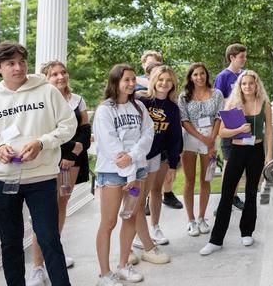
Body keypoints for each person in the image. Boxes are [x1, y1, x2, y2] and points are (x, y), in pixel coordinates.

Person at [0, 42, 76, 286]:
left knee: (49, 239)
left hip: (41, 179)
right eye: (11, 64)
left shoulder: (47, 91)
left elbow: (68, 126)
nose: (18, 68)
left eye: (22, 62)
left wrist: (42, 143)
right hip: (4, 180)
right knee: (10, 243)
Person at [93, 64, 161, 286]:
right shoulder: (105, 110)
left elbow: (147, 135)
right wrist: (129, 166)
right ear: (115, 82)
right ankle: (105, 273)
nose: (132, 84)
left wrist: (132, 159)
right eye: (127, 80)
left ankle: (123, 265)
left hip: (138, 169)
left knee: (131, 216)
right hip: (113, 174)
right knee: (109, 222)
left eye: (133, 79)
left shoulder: (139, 107)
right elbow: (111, 145)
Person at [26, 61, 92, 285]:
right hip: (46, 161)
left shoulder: (78, 100)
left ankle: (54, 253)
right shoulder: (39, 100)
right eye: (54, 74)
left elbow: (84, 130)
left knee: (61, 206)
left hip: (70, 162)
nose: (60, 77)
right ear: (45, 78)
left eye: (63, 72)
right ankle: (37, 266)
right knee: (43, 212)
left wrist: (72, 155)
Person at [199, 70, 273, 255]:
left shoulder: (264, 104)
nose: (247, 87)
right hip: (237, 151)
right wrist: (239, 129)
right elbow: (222, 132)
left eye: (251, 83)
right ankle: (216, 240)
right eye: (244, 84)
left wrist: (269, 155)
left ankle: (247, 232)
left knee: (251, 193)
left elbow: (269, 131)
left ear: (257, 85)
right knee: (227, 193)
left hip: (256, 150)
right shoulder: (232, 103)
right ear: (239, 86)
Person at [133, 65, 183, 251]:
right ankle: (136, 233)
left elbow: (174, 138)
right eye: (161, 79)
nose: (164, 83)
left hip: (156, 156)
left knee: (155, 191)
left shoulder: (172, 108)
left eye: (169, 80)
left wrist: (172, 164)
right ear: (154, 80)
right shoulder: (140, 100)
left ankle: (154, 227)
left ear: (173, 84)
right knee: (136, 197)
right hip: (137, 157)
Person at [178, 63, 223, 237]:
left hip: (211, 137)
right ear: (190, 77)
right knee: (189, 181)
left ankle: (202, 217)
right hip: (190, 138)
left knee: (207, 179)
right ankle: (191, 221)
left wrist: (211, 139)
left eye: (202, 73)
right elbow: (184, 120)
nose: (199, 77)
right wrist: (201, 137)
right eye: (195, 74)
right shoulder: (184, 97)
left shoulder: (216, 94)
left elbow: (219, 117)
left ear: (206, 75)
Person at [214, 43, 248, 210]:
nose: (244, 59)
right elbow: (218, 100)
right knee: (228, 162)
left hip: (244, 122)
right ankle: (225, 198)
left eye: (245, 56)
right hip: (229, 122)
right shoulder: (223, 76)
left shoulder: (245, 75)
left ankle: (234, 196)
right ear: (232, 57)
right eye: (241, 57)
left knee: (239, 161)